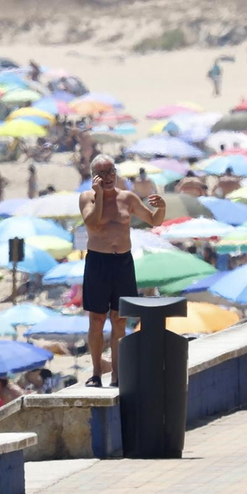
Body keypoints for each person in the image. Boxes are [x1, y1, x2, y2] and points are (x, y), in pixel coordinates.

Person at [79, 154, 166, 387]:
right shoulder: (87, 198)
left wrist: (162, 208)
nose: (107, 177)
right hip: (98, 262)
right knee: (96, 320)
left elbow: (153, 220)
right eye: (101, 173)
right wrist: (99, 196)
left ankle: (117, 375)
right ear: (93, 176)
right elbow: (94, 223)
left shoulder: (128, 198)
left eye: (110, 172)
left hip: (123, 263)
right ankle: (96, 373)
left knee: (119, 319)